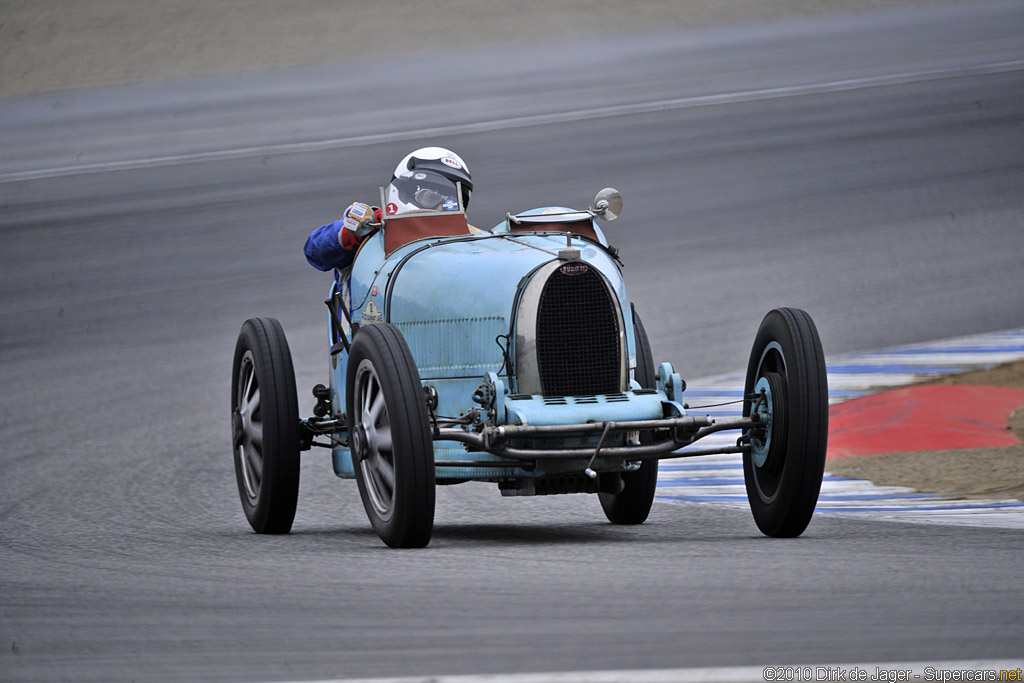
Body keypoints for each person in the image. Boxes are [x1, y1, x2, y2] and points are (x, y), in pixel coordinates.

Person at [303, 146, 473, 279]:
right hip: (364, 320)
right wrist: (353, 233)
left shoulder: (468, 240)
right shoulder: (370, 229)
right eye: (430, 198)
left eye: (451, 203)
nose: (441, 208)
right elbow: (315, 252)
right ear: (405, 193)